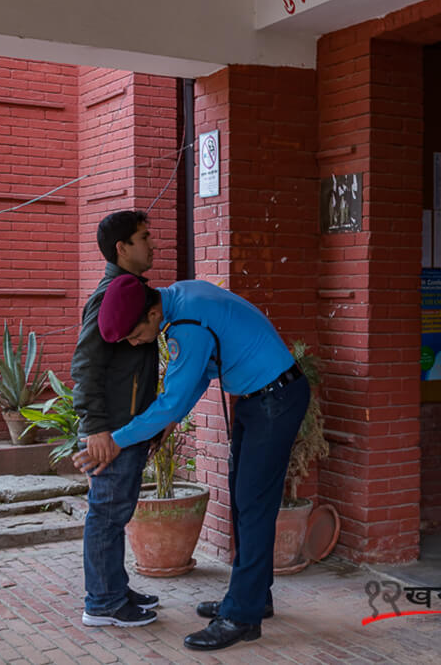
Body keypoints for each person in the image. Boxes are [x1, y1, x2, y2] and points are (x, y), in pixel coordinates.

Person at [74, 275, 310, 652]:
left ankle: (242, 616)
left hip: (273, 399)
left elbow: (172, 400)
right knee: (244, 499)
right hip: (261, 397)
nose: (135, 344)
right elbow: (199, 375)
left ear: (153, 313)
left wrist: (115, 441)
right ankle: (254, 597)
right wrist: (169, 418)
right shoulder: (182, 296)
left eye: (135, 335)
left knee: (253, 505)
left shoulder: (186, 325)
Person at [71, 210, 162, 628]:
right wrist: (96, 430)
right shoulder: (111, 295)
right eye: (144, 237)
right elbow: (85, 365)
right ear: (121, 248)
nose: (152, 244)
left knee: (115, 512)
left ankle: (113, 588)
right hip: (112, 430)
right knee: (107, 514)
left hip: (127, 426)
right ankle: (103, 603)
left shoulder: (130, 292)